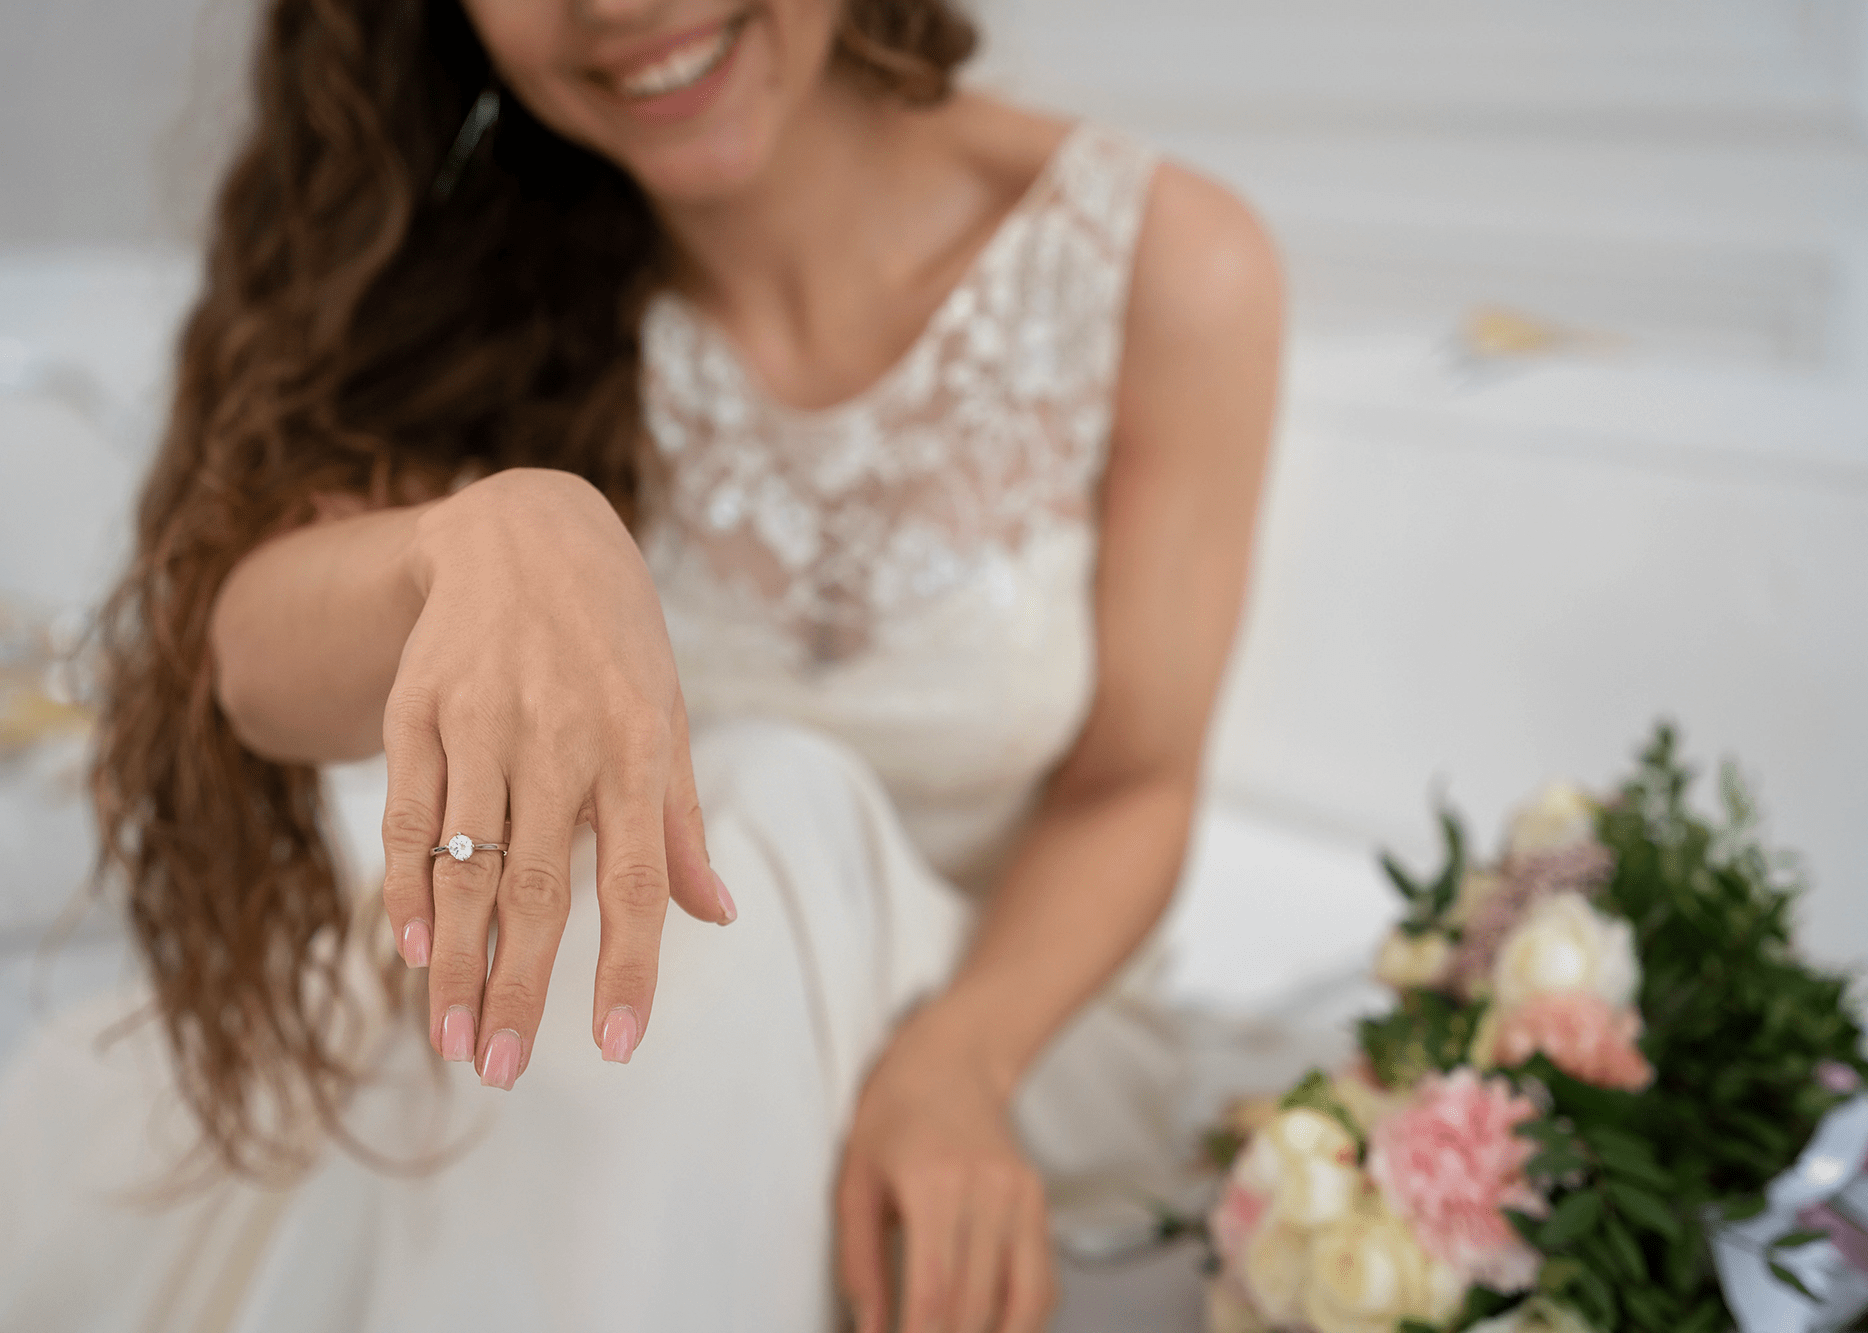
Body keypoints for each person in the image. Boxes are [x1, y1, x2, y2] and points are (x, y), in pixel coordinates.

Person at [0, 0, 1282, 1328]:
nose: (617, 5)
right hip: (593, 1083)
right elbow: (247, 663)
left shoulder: (1165, 264)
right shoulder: (459, 268)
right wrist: (472, 542)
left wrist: (958, 1064)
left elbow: (1134, 784)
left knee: (769, 803)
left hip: (1004, 1036)